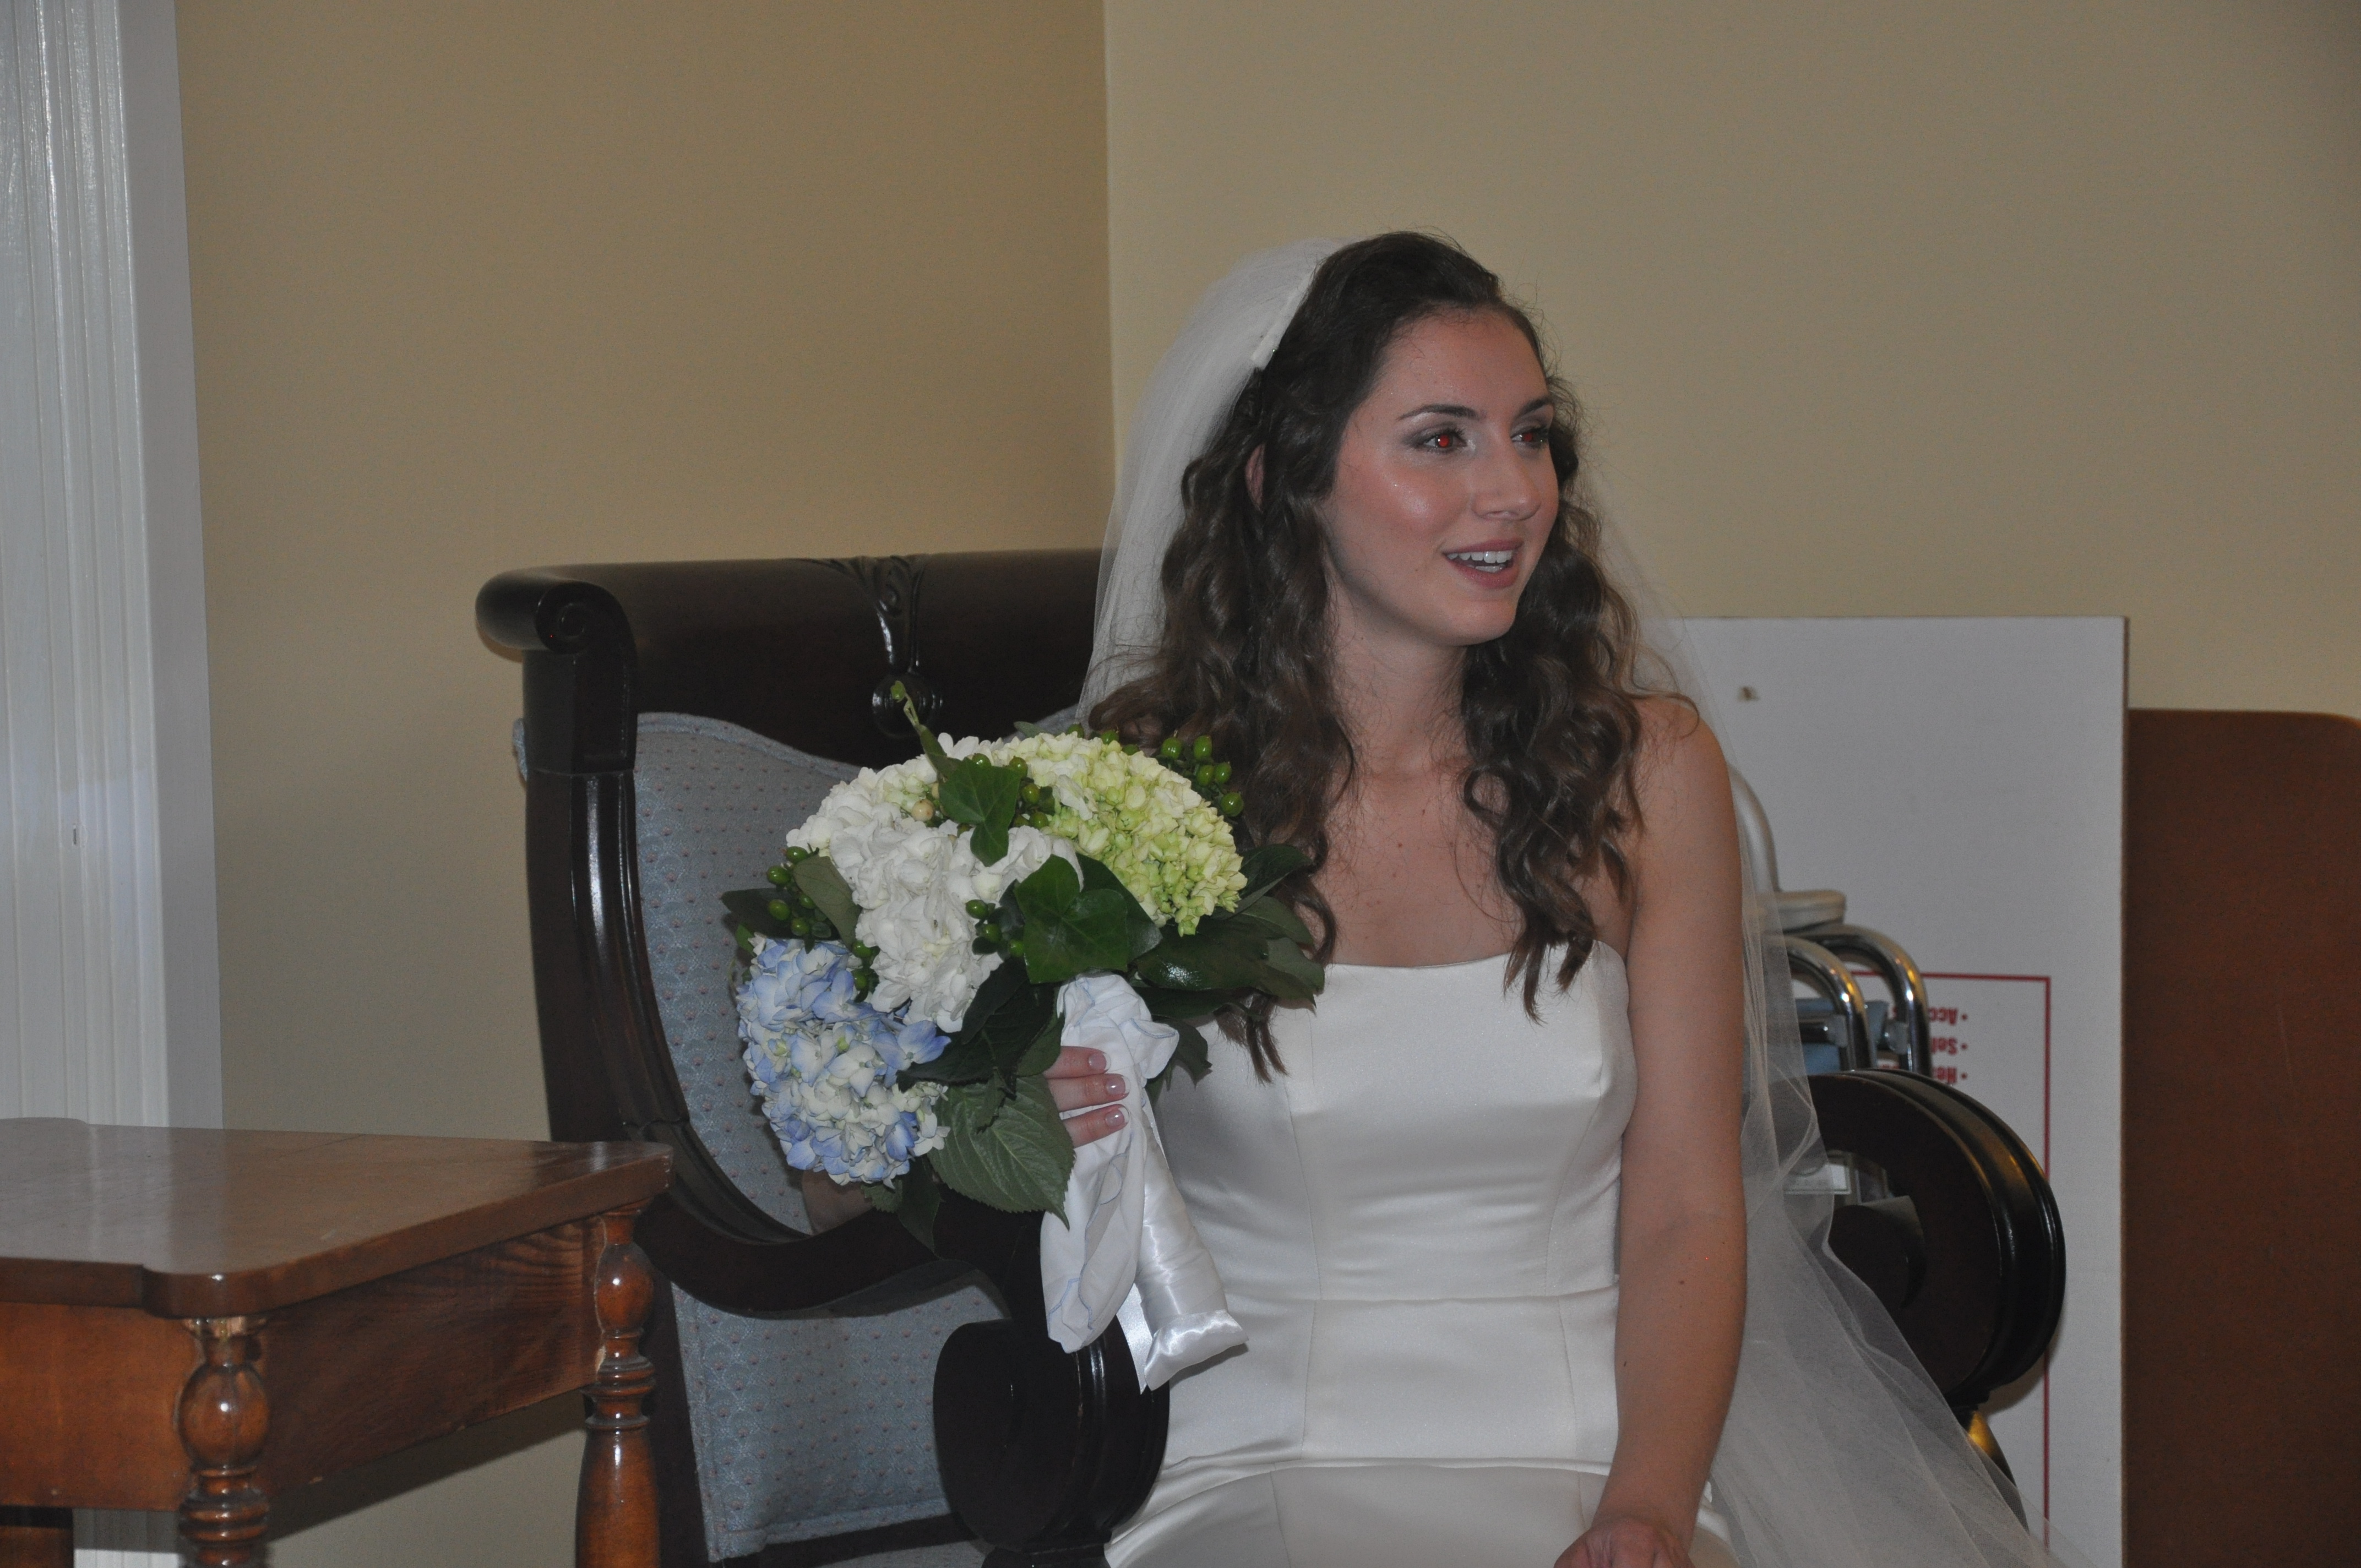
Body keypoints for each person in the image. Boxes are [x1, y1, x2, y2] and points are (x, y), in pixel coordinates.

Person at [1070, 235, 2072, 1568]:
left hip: (1596, 1459)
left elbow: (1687, 1203)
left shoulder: (1644, 774)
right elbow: (950, 1160)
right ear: (1281, 478)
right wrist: (1032, 1112)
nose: (1512, 492)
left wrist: (1645, 1508)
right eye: (1440, 439)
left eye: (1531, 435)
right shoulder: (1139, 796)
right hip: (1251, 1465)